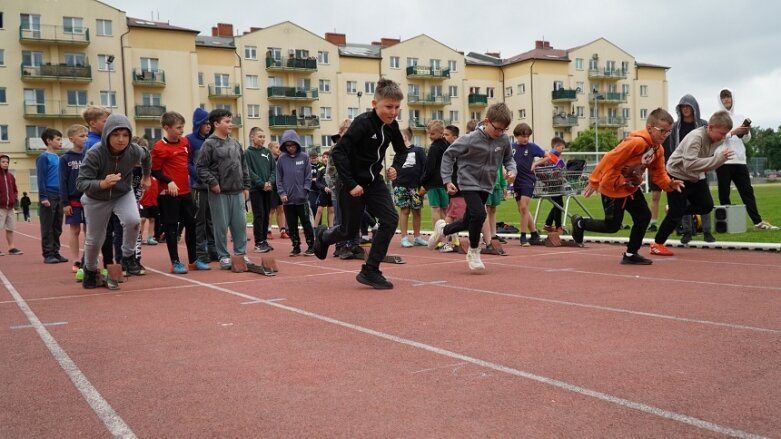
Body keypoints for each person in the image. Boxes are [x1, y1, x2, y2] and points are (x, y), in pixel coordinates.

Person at [313, 78, 408, 289]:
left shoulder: (392, 127)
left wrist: (395, 168)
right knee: (348, 231)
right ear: (375, 104)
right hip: (351, 184)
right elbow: (338, 152)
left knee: (390, 220)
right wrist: (350, 183)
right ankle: (324, 235)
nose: (393, 112)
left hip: (374, 182)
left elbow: (402, 152)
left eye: (397, 108)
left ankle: (370, 270)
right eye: (388, 107)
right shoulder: (363, 123)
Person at [570, 108, 685, 265]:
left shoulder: (658, 149)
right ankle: (580, 223)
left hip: (630, 188)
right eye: (662, 131)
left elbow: (658, 173)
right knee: (612, 226)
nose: (665, 135)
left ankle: (631, 254)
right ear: (650, 128)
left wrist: (669, 184)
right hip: (613, 188)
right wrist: (594, 180)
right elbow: (609, 158)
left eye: (669, 132)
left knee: (644, 217)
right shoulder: (636, 142)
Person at [427, 103, 517, 271]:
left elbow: (509, 159)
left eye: (503, 130)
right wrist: (447, 180)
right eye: (497, 129)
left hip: (487, 184)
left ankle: (443, 229)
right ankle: (474, 251)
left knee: (470, 220)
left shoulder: (503, 140)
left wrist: (512, 170)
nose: (499, 133)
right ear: (487, 121)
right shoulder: (470, 138)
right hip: (467, 182)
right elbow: (448, 155)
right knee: (479, 214)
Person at [76, 114, 151, 289]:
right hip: (96, 198)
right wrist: (102, 183)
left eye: (125, 135)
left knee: (133, 221)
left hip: (122, 193)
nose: (121, 139)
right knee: (95, 239)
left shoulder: (134, 150)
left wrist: (146, 176)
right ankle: (91, 271)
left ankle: (128, 256)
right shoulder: (95, 152)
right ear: (107, 134)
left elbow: (147, 156)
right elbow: (80, 183)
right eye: (116, 134)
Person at [649, 111, 735, 256]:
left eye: (725, 134)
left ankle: (673, 209)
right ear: (711, 127)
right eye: (721, 133)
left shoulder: (719, 136)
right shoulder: (696, 138)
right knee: (676, 214)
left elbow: (727, 135)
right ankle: (657, 244)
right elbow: (690, 164)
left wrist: (740, 130)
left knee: (706, 206)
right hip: (678, 176)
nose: (722, 137)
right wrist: (719, 159)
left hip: (696, 177)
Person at [714, 88, 778, 231]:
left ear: (732, 98)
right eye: (723, 97)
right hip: (723, 160)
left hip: (740, 161)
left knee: (747, 193)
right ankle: (727, 225)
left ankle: (758, 222)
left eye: (728, 97)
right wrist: (734, 132)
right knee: (724, 194)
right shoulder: (716, 118)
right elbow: (716, 137)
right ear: (720, 100)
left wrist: (745, 132)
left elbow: (747, 140)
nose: (726, 100)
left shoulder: (739, 116)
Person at [196, 109, 251, 270]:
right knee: (220, 226)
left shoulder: (235, 143)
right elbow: (201, 167)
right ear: (216, 124)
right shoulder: (209, 144)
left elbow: (243, 165)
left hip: (237, 191)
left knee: (240, 225)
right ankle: (223, 256)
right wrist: (213, 183)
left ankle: (241, 253)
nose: (230, 124)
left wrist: (246, 186)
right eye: (227, 121)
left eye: (230, 121)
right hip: (219, 192)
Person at [152, 111, 206, 273]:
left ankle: (193, 260)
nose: (181, 130)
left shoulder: (184, 142)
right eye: (178, 128)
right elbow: (155, 171)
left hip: (185, 191)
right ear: (166, 128)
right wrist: (169, 182)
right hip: (169, 194)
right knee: (171, 227)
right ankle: (175, 262)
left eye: (182, 127)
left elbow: (186, 163)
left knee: (191, 224)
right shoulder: (159, 147)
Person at [663, 95, 714, 243]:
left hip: (700, 167)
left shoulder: (704, 125)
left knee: (704, 201)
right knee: (682, 200)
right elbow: (673, 147)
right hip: (681, 170)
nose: (685, 109)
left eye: (688, 106)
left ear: (693, 108)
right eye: (682, 106)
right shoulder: (675, 127)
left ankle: (707, 231)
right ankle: (687, 231)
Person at [276, 129, 315, 256]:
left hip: (302, 199)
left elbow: (308, 176)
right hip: (287, 200)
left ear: (297, 144)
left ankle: (311, 246)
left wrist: (305, 190)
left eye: (292, 145)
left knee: (306, 222)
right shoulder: (281, 159)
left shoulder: (304, 157)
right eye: (287, 145)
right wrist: (282, 193)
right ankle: (296, 246)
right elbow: (278, 178)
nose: (290, 148)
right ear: (284, 146)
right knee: (292, 225)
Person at [187, 107, 219, 263]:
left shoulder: (212, 140)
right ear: (198, 124)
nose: (208, 126)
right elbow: (187, 164)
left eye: (209, 124)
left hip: (212, 186)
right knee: (199, 220)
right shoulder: (190, 140)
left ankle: (213, 249)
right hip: (198, 187)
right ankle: (200, 251)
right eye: (205, 124)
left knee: (211, 219)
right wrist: (199, 177)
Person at [511, 123, 549, 246]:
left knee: (523, 206)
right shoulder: (511, 147)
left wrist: (536, 164)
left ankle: (523, 236)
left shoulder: (532, 147)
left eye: (527, 136)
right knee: (522, 209)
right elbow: (505, 160)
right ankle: (534, 234)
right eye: (523, 136)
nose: (526, 139)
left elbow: (547, 156)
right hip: (516, 180)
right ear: (517, 136)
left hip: (528, 179)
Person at [392, 126, 427, 248]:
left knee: (417, 211)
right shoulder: (398, 154)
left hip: (415, 187)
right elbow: (394, 169)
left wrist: (424, 185)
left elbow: (425, 168)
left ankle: (417, 237)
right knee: (404, 210)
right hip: (401, 186)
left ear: (405, 137)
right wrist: (395, 184)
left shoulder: (419, 151)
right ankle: (404, 238)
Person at [59, 124, 88, 270]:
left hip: (90, 199)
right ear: (71, 139)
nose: (85, 138)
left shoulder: (89, 155)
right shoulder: (65, 158)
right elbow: (62, 181)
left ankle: (88, 258)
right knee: (75, 230)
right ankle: (76, 260)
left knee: (89, 230)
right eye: (82, 136)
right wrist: (65, 203)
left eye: (86, 136)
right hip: (73, 199)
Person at [37, 128, 66, 264]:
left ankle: (56, 252)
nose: (60, 142)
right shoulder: (43, 157)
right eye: (58, 139)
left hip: (60, 195)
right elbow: (41, 178)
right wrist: (43, 197)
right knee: (48, 225)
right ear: (49, 141)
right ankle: (48, 254)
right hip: (49, 194)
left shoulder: (59, 158)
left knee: (57, 226)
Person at [245, 127, 276, 253]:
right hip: (256, 189)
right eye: (259, 136)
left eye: (263, 137)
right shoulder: (247, 153)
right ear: (252, 137)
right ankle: (258, 242)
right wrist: (261, 183)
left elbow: (274, 169)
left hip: (268, 189)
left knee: (266, 215)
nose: (262, 139)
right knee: (259, 215)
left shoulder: (268, 152)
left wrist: (270, 182)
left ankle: (264, 239)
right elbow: (249, 171)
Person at [419, 120, 450, 227]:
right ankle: (449, 234)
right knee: (445, 209)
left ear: (441, 132)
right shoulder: (447, 145)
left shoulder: (434, 148)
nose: (429, 136)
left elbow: (429, 169)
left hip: (433, 184)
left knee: (435, 209)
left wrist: (422, 182)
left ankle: (439, 236)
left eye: (432, 133)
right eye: (429, 133)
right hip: (445, 182)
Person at [541, 136, 567, 233]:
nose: (563, 150)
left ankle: (548, 224)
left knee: (558, 204)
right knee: (558, 204)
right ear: (556, 146)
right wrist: (555, 170)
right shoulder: (550, 156)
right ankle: (558, 226)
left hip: (555, 184)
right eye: (562, 148)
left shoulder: (554, 157)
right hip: (553, 184)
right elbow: (545, 170)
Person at [0, 154, 23, 256]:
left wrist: (14, 199)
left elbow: (14, 190)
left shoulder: (10, 176)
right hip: (0, 207)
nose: (5, 164)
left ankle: (11, 247)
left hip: (10, 207)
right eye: (3, 162)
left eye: (7, 162)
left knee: (10, 228)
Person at [267, 141, 289, 240]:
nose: (279, 149)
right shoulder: (267, 160)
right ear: (271, 149)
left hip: (280, 187)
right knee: (271, 210)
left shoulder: (282, 160)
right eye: (276, 147)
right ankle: (268, 230)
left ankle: (283, 230)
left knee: (281, 208)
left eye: (279, 147)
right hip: (271, 187)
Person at [312, 150, 334, 228]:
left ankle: (331, 228)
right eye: (323, 157)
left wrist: (332, 188)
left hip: (332, 194)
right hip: (323, 193)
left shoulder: (333, 168)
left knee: (331, 211)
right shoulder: (321, 169)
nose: (325, 159)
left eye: (327, 157)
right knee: (319, 210)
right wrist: (324, 187)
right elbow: (317, 182)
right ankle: (315, 228)